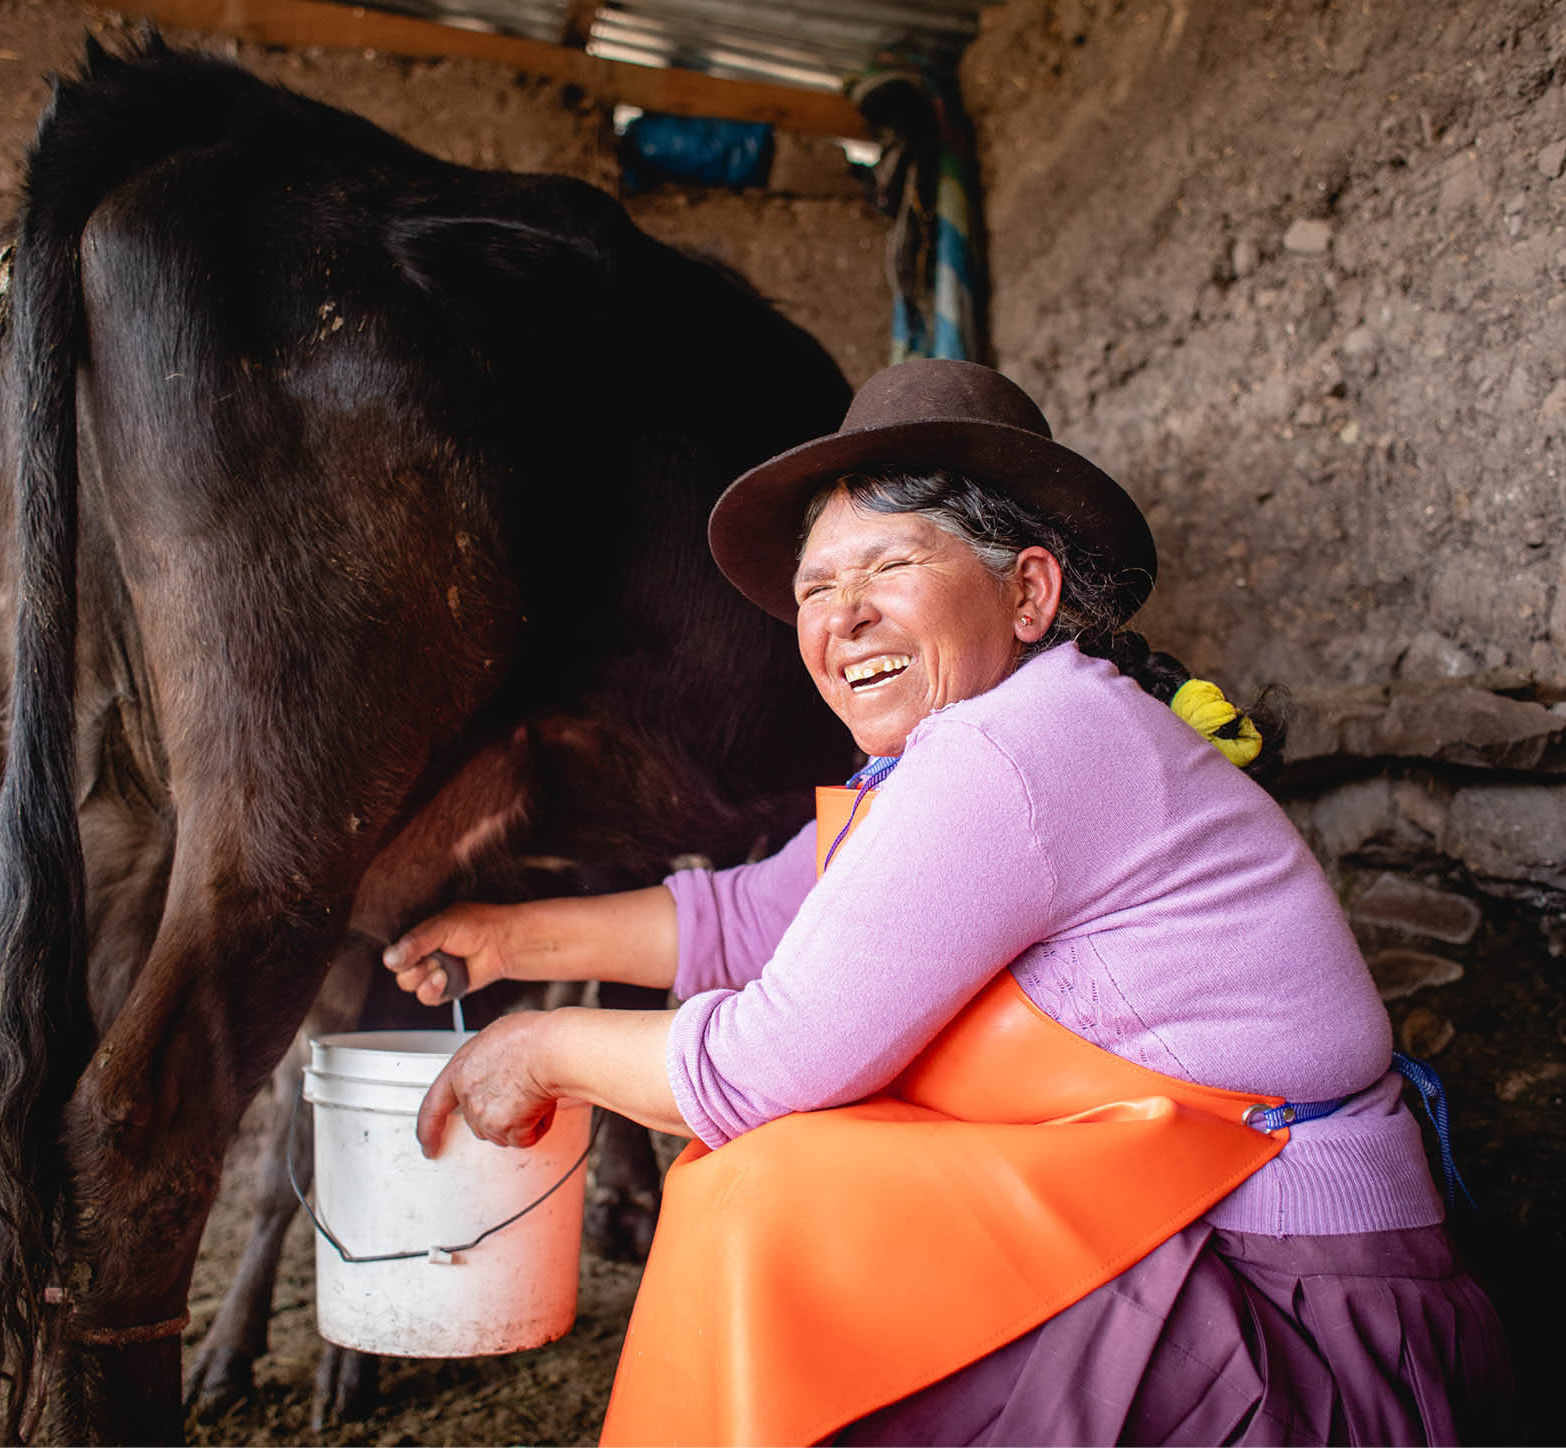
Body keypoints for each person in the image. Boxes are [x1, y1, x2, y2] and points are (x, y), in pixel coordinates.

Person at [380, 359, 1511, 1445]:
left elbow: (766, 1066)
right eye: (817, 586)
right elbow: (754, 915)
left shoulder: (1017, 747)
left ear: (1027, 590)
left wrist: (536, 1047)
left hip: (1291, 1323)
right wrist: (506, 936)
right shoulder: (999, 742)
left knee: (768, 1191)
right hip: (1226, 1247)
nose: (843, 616)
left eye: (890, 568)